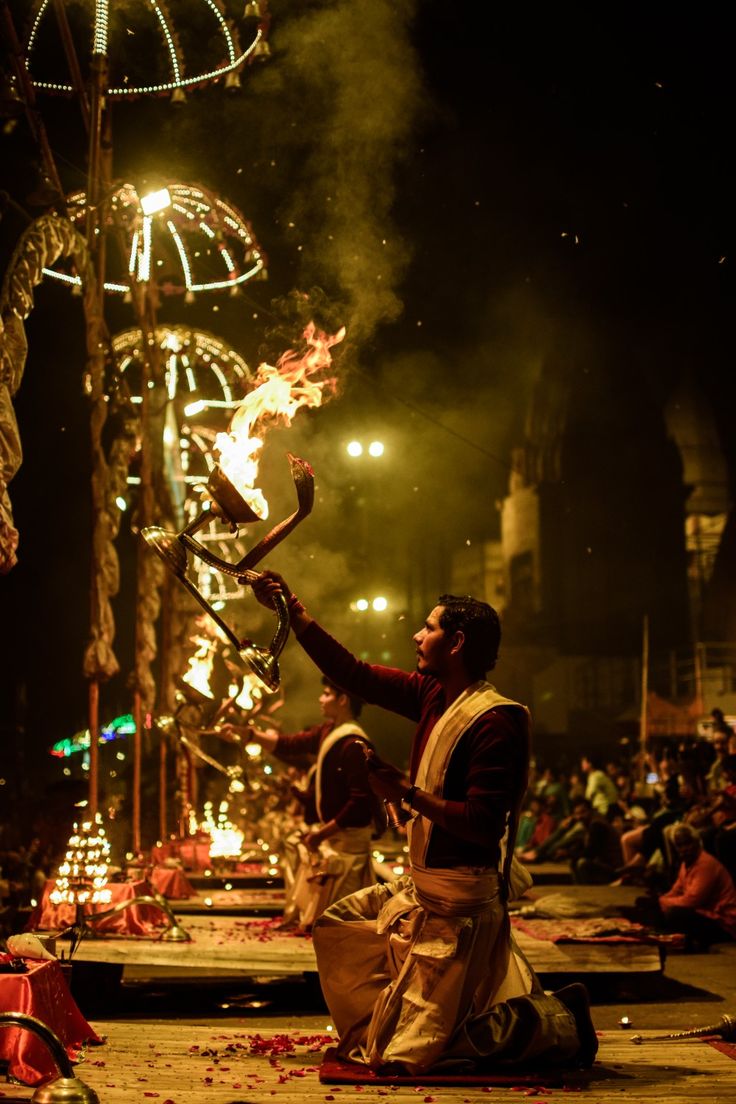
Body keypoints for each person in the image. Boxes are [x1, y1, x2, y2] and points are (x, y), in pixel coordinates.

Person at [252, 571, 597, 1075]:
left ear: (456, 643)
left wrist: (406, 794)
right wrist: (294, 613)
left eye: (428, 628)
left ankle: (557, 1020)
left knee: (409, 1062)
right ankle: (395, 1022)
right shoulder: (432, 695)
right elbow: (356, 674)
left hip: (460, 902)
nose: (416, 635)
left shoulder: (496, 720)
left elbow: (481, 825)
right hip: (421, 889)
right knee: (337, 927)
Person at [219, 677, 377, 930]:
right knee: (324, 926)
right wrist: (248, 734)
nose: (320, 699)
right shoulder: (328, 732)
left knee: (344, 928)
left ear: (343, 700)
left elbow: (359, 804)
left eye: (326, 694)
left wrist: (320, 835)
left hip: (348, 851)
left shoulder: (354, 745)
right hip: (332, 844)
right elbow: (289, 744)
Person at [655, 824, 736, 950]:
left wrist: (662, 902)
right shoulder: (686, 863)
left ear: (697, 843)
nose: (684, 849)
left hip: (724, 924)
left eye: (687, 844)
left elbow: (692, 900)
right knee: (655, 909)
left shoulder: (705, 864)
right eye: (680, 845)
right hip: (705, 914)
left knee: (674, 913)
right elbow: (676, 891)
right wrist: (659, 902)